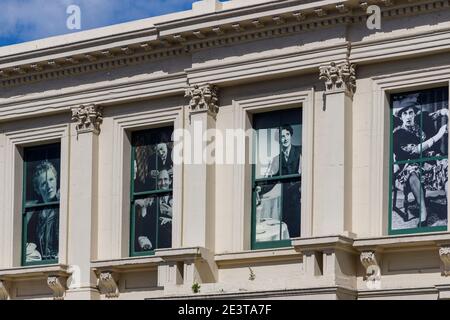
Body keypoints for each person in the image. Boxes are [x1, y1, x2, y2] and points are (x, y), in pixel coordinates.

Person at [392, 98, 448, 227]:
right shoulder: (398, 133)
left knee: (447, 165)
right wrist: (439, 135)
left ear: (414, 114)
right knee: (412, 171)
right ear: (400, 117)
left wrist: (445, 112)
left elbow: (433, 115)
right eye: (404, 114)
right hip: (409, 163)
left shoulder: (418, 121)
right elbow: (415, 151)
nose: (408, 116)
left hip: (427, 161)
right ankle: (423, 212)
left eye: (410, 113)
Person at [258, 125, 302, 238]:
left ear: (291, 136)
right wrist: (259, 189)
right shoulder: (277, 159)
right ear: (279, 140)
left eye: (287, 134)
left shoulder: (300, 151)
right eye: (282, 136)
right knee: (289, 229)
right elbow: (271, 181)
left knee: (299, 228)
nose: (285, 138)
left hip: (300, 198)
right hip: (286, 201)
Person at [26, 161, 60, 262]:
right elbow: (29, 241)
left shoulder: (63, 205)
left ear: (56, 180)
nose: (49, 186)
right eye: (44, 183)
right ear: (37, 189)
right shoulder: (34, 215)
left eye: (51, 179)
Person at [157, 169, 173, 248]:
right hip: (156, 245)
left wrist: (172, 216)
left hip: (171, 245)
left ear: (170, 181)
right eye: (160, 180)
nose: (163, 183)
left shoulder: (177, 199)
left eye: (165, 179)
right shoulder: (152, 201)